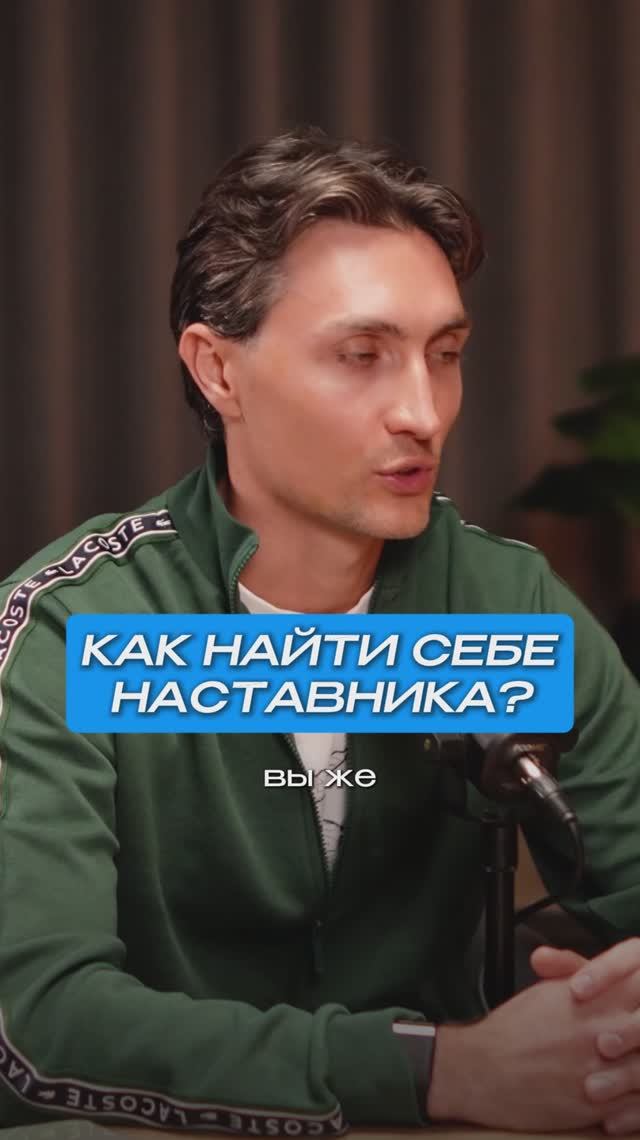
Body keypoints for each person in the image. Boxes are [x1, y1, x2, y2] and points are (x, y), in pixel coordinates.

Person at [1, 126, 640, 1138]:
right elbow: (37, 1025)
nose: (423, 411)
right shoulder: (74, 631)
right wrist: (440, 1070)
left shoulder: (507, 608)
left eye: (445, 355)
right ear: (218, 371)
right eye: (361, 356)